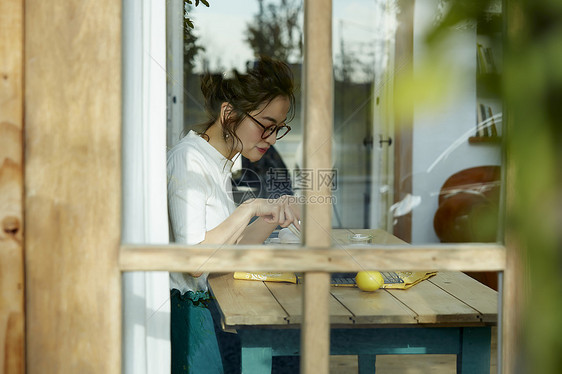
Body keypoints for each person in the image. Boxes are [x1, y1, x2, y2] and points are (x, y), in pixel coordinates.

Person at [167, 56, 300, 374]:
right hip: (192, 323)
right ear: (229, 114)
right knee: (290, 355)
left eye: (278, 129)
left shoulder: (219, 161)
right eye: (265, 125)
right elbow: (195, 263)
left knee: (294, 351)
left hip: (216, 312)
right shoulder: (189, 161)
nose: (270, 138)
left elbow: (227, 252)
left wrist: (269, 219)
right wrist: (250, 207)